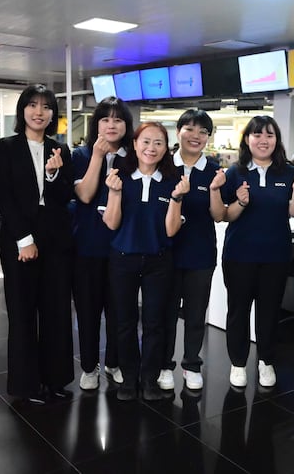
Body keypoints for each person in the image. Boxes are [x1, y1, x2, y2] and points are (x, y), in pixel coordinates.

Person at [0, 85, 75, 404]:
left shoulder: (60, 150)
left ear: (53, 114)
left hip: (55, 241)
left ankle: (55, 379)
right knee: (23, 312)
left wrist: (54, 176)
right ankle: (27, 385)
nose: (39, 112)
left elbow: (64, 196)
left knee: (56, 311)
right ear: (22, 111)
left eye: (46, 107)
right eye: (32, 105)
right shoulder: (8, 147)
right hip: (19, 239)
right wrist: (23, 240)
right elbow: (5, 197)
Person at [214, 115, 294, 388]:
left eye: (269, 135)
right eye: (257, 135)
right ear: (247, 139)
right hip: (239, 255)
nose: (263, 140)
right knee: (238, 311)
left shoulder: (289, 173)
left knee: (268, 311)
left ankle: (266, 361)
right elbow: (225, 216)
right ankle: (238, 363)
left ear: (276, 140)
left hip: (275, 256)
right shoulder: (235, 173)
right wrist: (240, 202)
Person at [103, 121, 189, 401]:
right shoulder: (120, 177)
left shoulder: (174, 181)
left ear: (166, 149)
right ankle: (129, 378)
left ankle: (149, 378)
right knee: (124, 321)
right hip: (122, 259)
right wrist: (115, 193)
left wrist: (176, 199)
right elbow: (111, 223)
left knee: (155, 321)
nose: (151, 148)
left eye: (158, 143)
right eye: (146, 141)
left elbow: (171, 230)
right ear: (135, 145)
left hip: (158, 260)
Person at [159, 110, 225, 391]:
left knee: (197, 313)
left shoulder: (214, 172)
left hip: (200, 253)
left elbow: (219, 214)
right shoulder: (162, 166)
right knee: (165, 312)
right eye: (190, 129)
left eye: (203, 131)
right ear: (178, 132)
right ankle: (164, 364)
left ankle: (191, 364)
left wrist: (216, 190)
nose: (196, 136)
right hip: (166, 252)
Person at [71, 96, 134, 390]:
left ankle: (114, 362)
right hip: (88, 245)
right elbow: (84, 195)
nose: (112, 125)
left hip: (124, 245)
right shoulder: (80, 155)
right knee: (88, 309)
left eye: (118, 119)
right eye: (106, 119)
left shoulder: (134, 157)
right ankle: (89, 366)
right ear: (96, 123)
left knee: (120, 309)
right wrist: (98, 157)